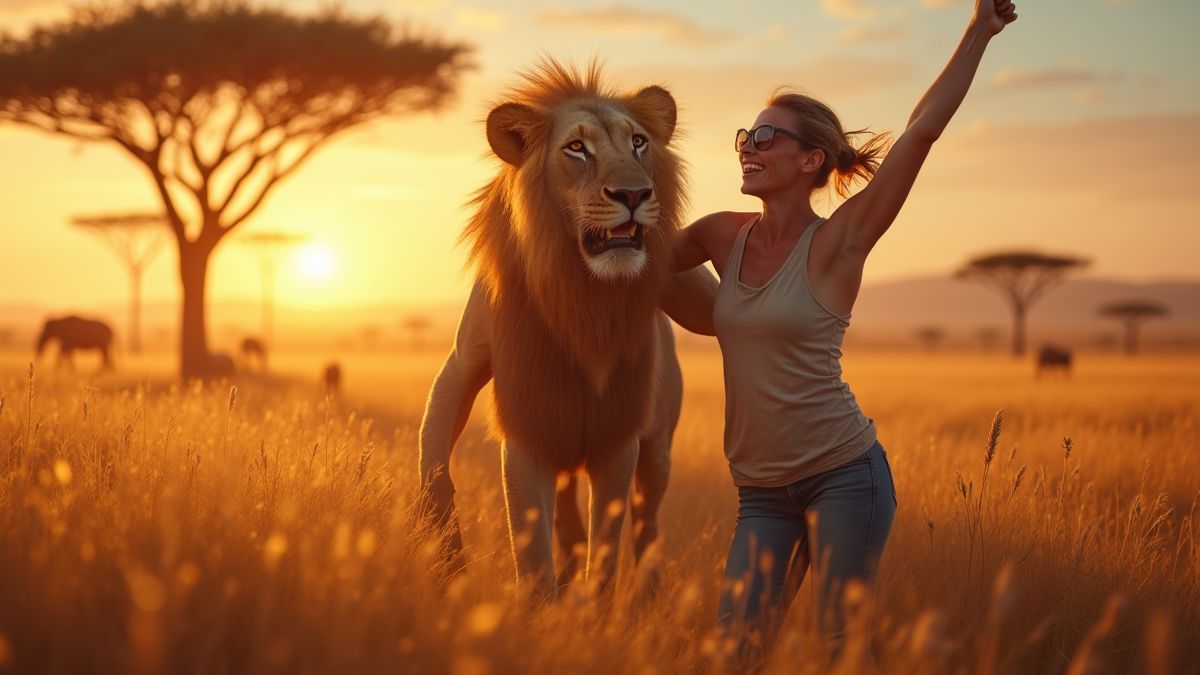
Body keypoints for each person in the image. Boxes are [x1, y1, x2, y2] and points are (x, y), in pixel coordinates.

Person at [671, 0, 1018, 668]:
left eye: (767, 136)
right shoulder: (720, 235)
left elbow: (919, 133)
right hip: (761, 491)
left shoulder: (841, 242)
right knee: (732, 652)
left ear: (812, 161)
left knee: (838, 650)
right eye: (746, 133)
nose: (748, 144)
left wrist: (978, 29)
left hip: (843, 477)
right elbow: (632, 261)